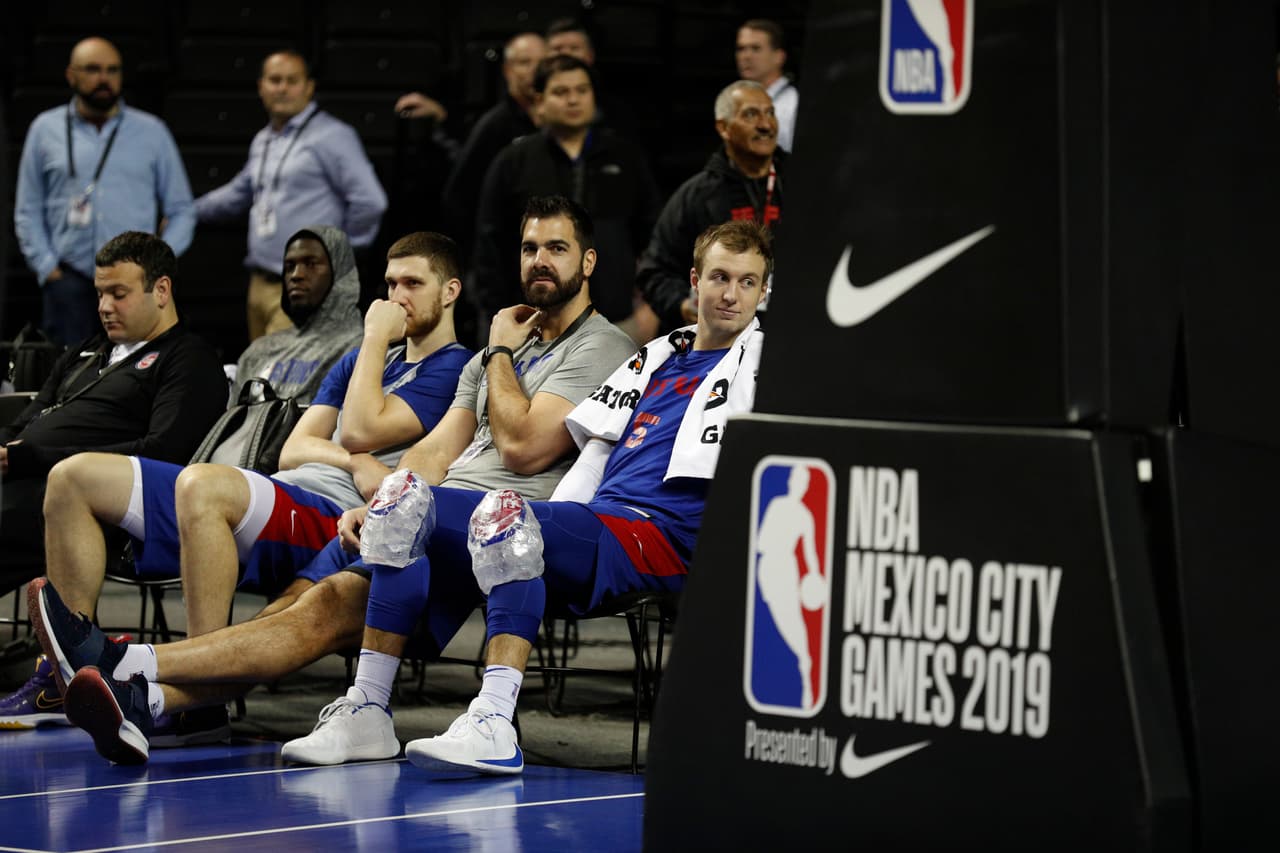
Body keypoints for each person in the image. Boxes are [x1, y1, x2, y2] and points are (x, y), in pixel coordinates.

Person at [30, 196, 638, 765]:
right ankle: (156, 703)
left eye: (556, 248)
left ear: (587, 261)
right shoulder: (493, 354)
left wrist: (501, 354)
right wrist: (388, 500)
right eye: (530, 247)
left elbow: (523, 445)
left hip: (497, 530)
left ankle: (124, 662)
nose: (539, 260)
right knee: (293, 606)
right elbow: (433, 452)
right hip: (426, 513)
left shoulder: (600, 345)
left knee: (319, 611)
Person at [279, 218, 770, 771]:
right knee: (403, 500)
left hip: (663, 536)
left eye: (748, 282)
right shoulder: (655, 358)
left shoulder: (768, 368)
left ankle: (492, 721)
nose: (731, 294)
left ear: (764, 291)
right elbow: (590, 457)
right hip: (598, 519)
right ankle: (367, 711)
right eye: (720, 277)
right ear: (694, 280)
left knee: (504, 517)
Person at [0, 232, 472, 737]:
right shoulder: (359, 362)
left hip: (334, 514)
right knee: (74, 477)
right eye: (390, 283)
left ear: (449, 291)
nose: (396, 297)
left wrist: (374, 337)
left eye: (413, 284)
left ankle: (198, 700)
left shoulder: (453, 366)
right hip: (284, 485)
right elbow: (295, 447)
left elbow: (358, 428)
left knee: (203, 484)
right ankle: (60, 674)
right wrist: (356, 460)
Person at [0, 230, 225, 599]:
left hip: (94, 505)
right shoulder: (88, 350)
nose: (104, 306)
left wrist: (37, 459)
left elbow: (162, 451)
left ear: (162, 290)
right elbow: (31, 416)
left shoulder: (188, 360)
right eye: (100, 294)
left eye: (119, 294)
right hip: (23, 481)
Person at [195, 50, 388, 341]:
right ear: (261, 86)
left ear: (309, 87)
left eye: (292, 80)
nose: (282, 88)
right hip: (260, 283)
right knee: (258, 378)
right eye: (275, 80)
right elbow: (239, 194)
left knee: (286, 382)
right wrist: (186, 211)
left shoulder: (333, 136)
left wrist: (338, 254)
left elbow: (371, 201)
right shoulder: (265, 139)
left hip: (304, 286)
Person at [14, 37, 195, 346]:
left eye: (112, 70)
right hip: (68, 280)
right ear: (71, 74)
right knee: (68, 378)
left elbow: (182, 209)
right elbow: (27, 209)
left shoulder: (152, 132)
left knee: (135, 374)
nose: (104, 79)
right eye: (93, 69)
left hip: (135, 284)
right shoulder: (44, 129)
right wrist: (48, 268)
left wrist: (157, 264)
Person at [473, 55, 660, 341]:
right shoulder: (513, 161)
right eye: (561, 92)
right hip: (533, 326)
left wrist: (649, 309)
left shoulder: (625, 156)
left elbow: (654, 238)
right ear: (539, 100)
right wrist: (496, 318)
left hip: (618, 321)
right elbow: (489, 250)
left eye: (582, 90)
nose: (573, 100)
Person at [636, 80, 784, 334]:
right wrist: (682, 305)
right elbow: (653, 271)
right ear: (723, 127)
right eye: (751, 114)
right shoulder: (696, 196)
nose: (765, 124)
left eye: (770, 113)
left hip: (789, 334)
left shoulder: (804, 186)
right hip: (718, 339)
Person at [227, 225, 364, 408]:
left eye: (311, 264)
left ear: (339, 272)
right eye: (289, 266)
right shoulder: (258, 351)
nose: (296, 275)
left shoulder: (360, 348)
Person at [736, 19, 799, 152]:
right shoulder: (738, 102)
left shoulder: (792, 105)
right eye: (741, 49)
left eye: (756, 48)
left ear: (779, 57)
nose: (746, 56)